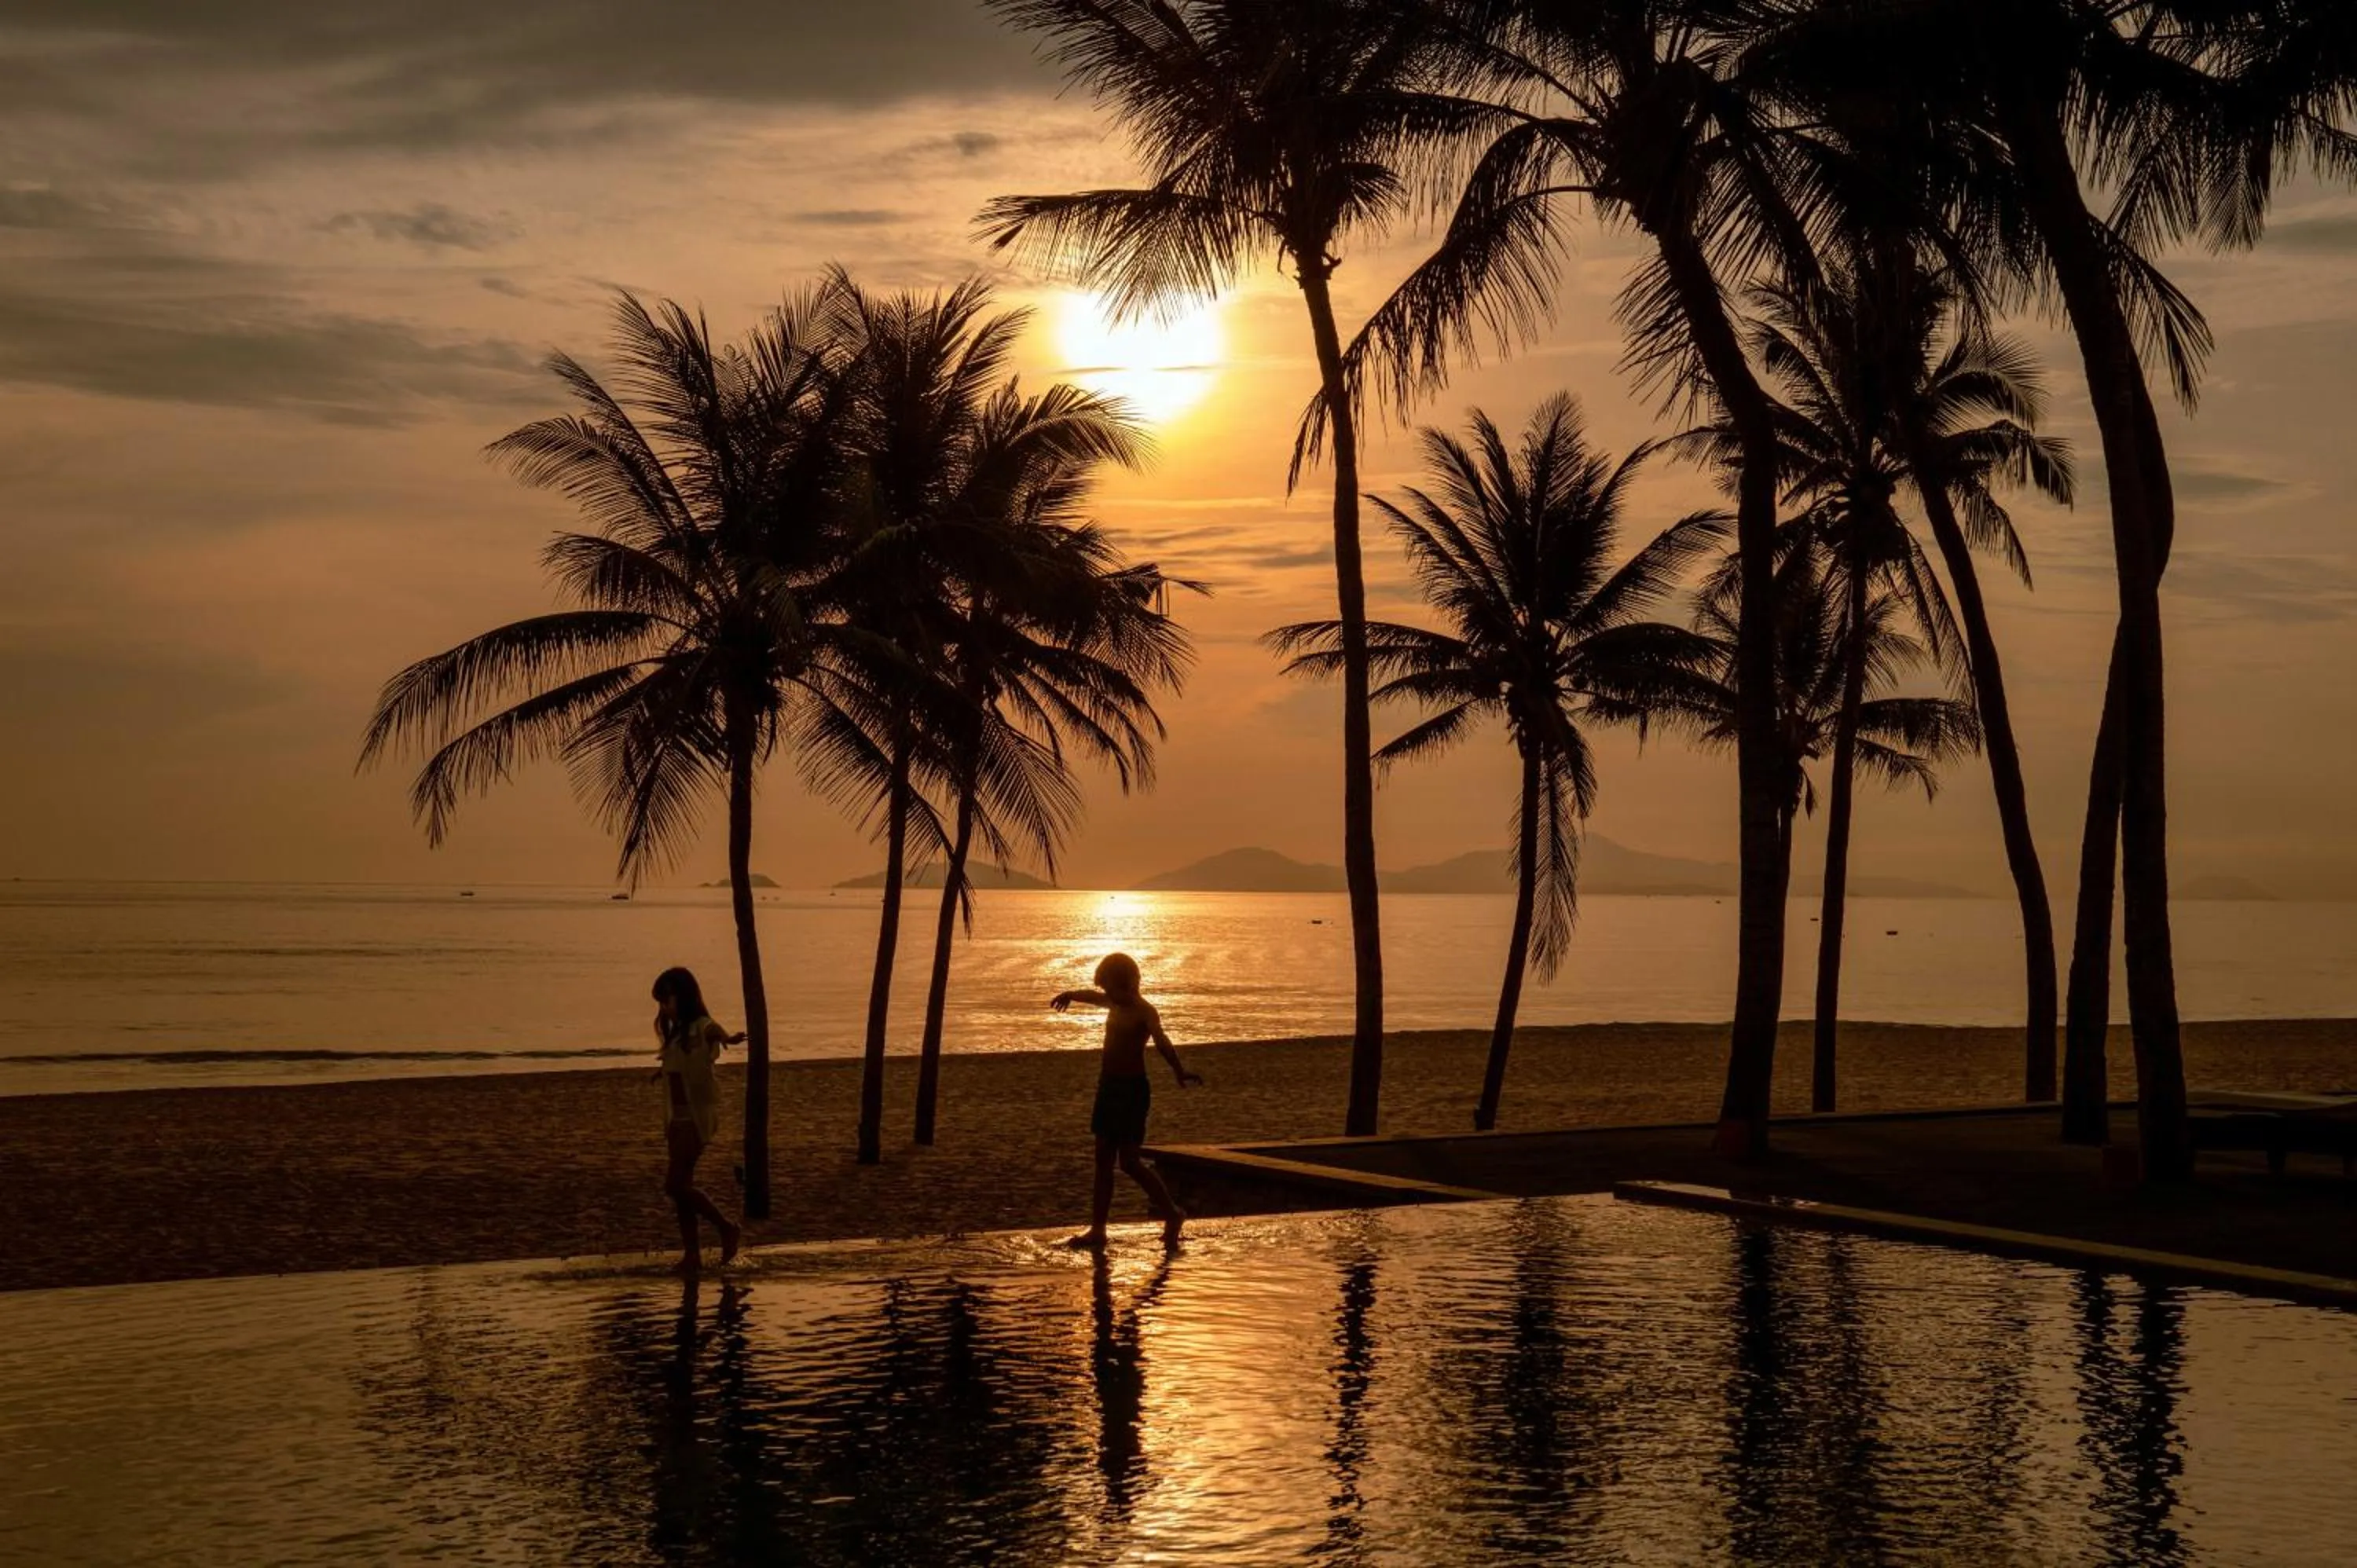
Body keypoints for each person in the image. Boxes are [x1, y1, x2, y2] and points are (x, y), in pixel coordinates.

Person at [1050, 952, 1203, 1250]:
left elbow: (1162, 1041)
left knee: (1130, 1163)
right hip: (1107, 1088)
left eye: (1111, 987)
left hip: (1132, 1091)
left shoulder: (1145, 1011)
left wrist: (1179, 1070)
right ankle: (1098, 1230)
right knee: (1103, 1161)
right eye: (1105, 988)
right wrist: (1070, 994)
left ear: (1128, 983)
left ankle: (1173, 1213)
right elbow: (1093, 996)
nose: (1107, 994)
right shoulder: (1113, 1001)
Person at [649, 965, 743, 1275]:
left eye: (667, 1000)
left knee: (675, 1185)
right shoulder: (677, 1034)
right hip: (675, 1119)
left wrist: (729, 1037)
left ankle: (726, 1227)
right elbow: (678, 1065)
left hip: (694, 1119)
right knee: (682, 1190)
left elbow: (713, 1031)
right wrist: (661, 1073)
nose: (664, 1008)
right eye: (661, 1003)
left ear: (683, 997)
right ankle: (692, 1254)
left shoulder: (700, 1027)